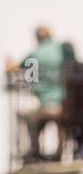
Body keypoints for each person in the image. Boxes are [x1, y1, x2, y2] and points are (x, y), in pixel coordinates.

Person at [14, 26, 68, 161]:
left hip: (45, 105)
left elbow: (20, 66)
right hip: (63, 103)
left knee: (31, 119)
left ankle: (35, 151)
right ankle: (59, 151)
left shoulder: (35, 54)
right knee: (59, 121)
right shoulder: (61, 51)